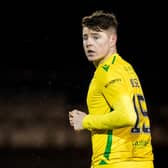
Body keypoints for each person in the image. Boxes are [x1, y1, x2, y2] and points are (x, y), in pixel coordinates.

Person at [69, 10, 154, 168]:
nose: (88, 43)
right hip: (143, 161)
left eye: (96, 37)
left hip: (113, 162)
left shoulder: (106, 72)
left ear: (112, 39)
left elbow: (127, 116)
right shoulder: (126, 68)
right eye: (85, 37)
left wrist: (86, 121)